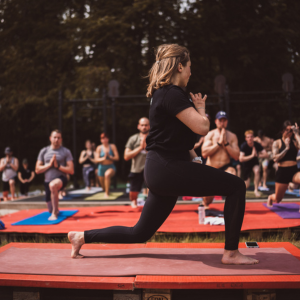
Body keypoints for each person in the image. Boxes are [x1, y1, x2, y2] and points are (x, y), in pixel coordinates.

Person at [68, 43, 258, 265]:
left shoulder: (168, 95)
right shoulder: (171, 94)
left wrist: (195, 161)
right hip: (166, 168)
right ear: (179, 67)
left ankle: (81, 236)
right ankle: (231, 253)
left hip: (161, 169)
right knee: (236, 186)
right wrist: (202, 111)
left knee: (139, 233)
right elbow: (203, 128)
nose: (190, 72)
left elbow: (180, 140)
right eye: (189, 67)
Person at [201, 111, 240, 208]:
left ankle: (232, 205)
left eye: (224, 120)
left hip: (225, 166)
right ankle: (205, 204)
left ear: (227, 122)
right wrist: (218, 143)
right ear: (216, 121)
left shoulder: (232, 136)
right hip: (211, 167)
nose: (222, 122)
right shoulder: (210, 134)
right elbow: (204, 153)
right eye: (220, 120)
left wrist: (226, 144)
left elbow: (236, 156)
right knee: (207, 199)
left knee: (233, 174)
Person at [35, 130, 74, 220]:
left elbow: (71, 170)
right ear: (50, 138)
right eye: (54, 137)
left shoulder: (65, 151)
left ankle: (54, 213)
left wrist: (58, 166)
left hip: (61, 179)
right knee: (49, 208)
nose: (56, 139)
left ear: (61, 139)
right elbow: (37, 170)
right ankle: (54, 209)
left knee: (53, 185)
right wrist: (49, 165)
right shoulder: (44, 151)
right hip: (47, 181)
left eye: (58, 138)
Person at [267, 121, 300, 207]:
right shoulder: (277, 143)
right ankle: (270, 197)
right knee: (278, 199)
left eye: (291, 130)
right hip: (282, 173)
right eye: (287, 130)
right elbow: (275, 159)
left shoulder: (295, 142)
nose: (289, 132)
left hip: (294, 171)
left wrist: (297, 134)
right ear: (282, 131)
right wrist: (286, 148)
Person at [124, 117, 150, 208]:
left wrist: (147, 148)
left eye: (146, 125)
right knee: (133, 194)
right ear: (138, 126)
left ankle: (150, 205)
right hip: (136, 168)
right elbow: (126, 156)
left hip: (150, 168)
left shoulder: (154, 138)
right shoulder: (133, 138)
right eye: (142, 125)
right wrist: (140, 148)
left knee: (153, 188)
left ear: (149, 126)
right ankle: (134, 203)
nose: (144, 127)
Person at [239, 130, 269, 198]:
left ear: (254, 137)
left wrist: (257, 155)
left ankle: (256, 190)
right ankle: (240, 191)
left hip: (254, 163)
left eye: (251, 137)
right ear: (246, 138)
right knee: (247, 185)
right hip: (246, 164)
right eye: (248, 137)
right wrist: (252, 155)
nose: (250, 138)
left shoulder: (256, 144)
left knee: (257, 171)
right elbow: (241, 159)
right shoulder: (243, 146)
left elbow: (266, 155)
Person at [95, 133, 119, 197]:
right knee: (103, 188)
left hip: (110, 167)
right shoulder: (99, 148)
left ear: (108, 139)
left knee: (107, 175)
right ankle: (106, 190)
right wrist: (104, 158)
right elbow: (96, 160)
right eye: (103, 138)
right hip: (101, 168)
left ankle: (107, 194)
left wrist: (110, 157)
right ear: (101, 140)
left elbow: (117, 158)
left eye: (105, 138)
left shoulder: (112, 146)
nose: (104, 140)